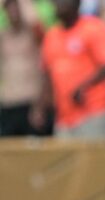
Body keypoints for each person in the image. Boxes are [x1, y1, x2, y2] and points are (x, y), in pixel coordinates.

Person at [39, 0, 105, 138]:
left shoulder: (93, 27)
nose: (57, 5)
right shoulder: (51, 36)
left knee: (93, 158)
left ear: (75, 4)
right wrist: (40, 106)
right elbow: (47, 74)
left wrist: (84, 86)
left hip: (94, 111)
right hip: (64, 117)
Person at [0, 0, 50, 136]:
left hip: (30, 101)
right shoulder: (3, 38)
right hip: (8, 102)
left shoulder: (32, 36)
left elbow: (43, 36)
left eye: (17, 8)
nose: (13, 12)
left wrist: (40, 106)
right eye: (10, 9)